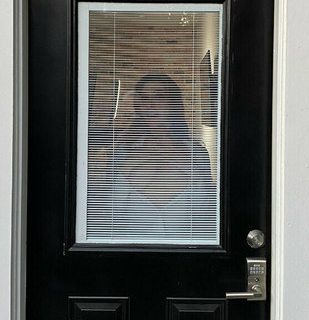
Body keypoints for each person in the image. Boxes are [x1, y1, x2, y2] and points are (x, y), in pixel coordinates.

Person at [87, 73, 217, 243]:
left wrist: (185, 166)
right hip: (131, 250)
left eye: (159, 96)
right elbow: (107, 212)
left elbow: (207, 213)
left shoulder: (197, 153)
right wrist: (128, 160)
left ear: (173, 104)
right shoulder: (123, 151)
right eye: (144, 98)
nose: (149, 104)